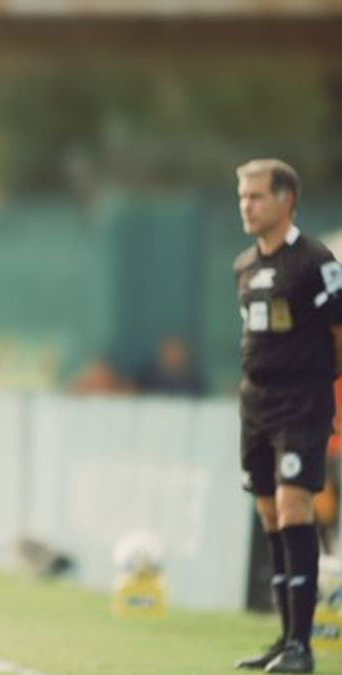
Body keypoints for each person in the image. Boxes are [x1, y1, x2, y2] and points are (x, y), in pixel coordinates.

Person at [232, 159, 342, 674]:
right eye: (242, 196)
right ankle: (284, 638)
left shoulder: (314, 261)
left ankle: (303, 646)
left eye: (256, 196)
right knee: (270, 513)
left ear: (286, 200)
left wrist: (317, 384)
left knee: (295, 507)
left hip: (302, 403)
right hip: (256, 403)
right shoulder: (244, 266)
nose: (247, 206)